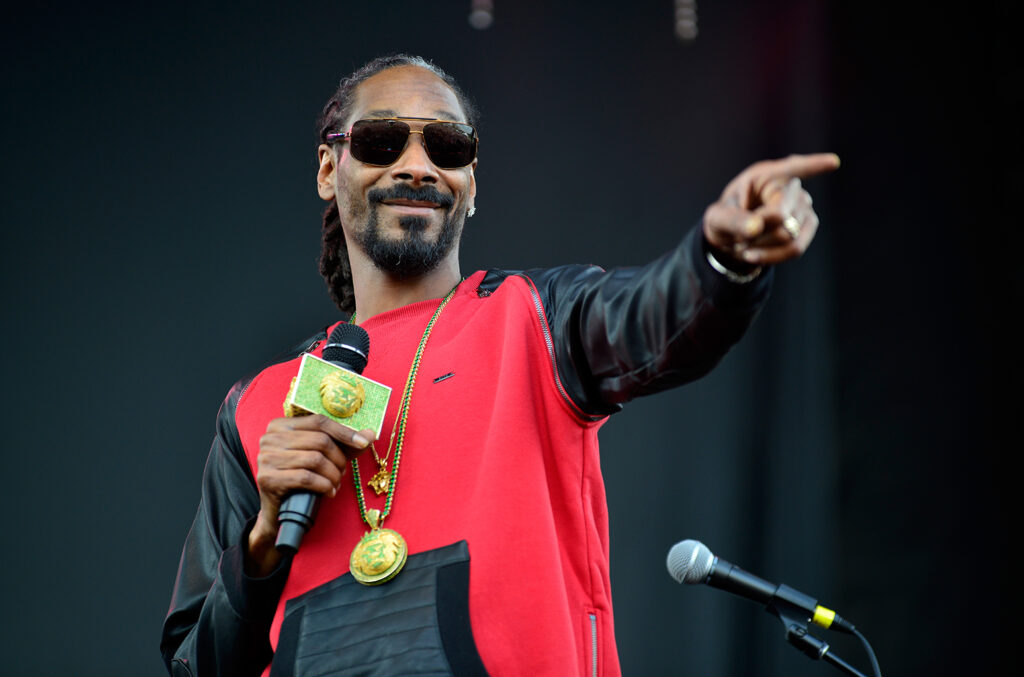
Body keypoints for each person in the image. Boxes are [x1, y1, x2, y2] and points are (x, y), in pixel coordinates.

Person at [161, 53, 839, 677]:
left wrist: (722, 258)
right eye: (380, 142)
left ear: (471, 183)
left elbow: (657, 318)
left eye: (447, 146)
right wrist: (258, 547)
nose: (417, 165)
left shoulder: (533, 316)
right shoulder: (258, 406)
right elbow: (197, 662)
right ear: (326, 169)